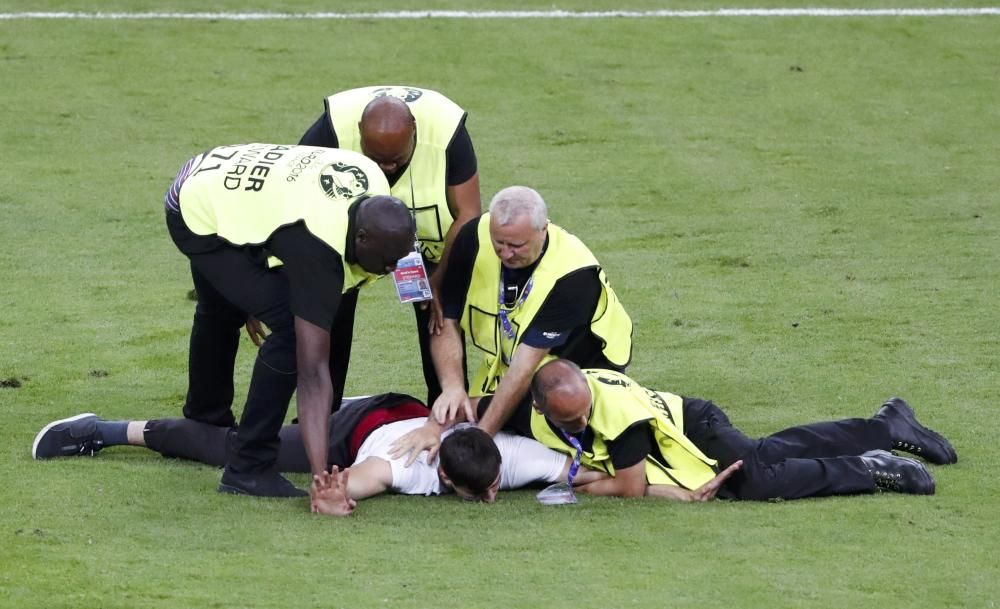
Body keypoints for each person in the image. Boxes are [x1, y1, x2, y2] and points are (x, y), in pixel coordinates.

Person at [164, 143, 416, 499]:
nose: (393, 270)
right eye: (389, 261)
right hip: (195, 209)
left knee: (226, 307)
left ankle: (205, 418)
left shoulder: (374, 182)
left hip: (217, 174)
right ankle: (248, 466)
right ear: (361, 238)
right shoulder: (320, 248)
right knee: (291, 331)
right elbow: (312, 374)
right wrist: (322, 477)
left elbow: (282, 228)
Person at [30, 394, 604, 515]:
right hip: (350, 428)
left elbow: (591, 472)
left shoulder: (513, 455)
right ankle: (101, 429)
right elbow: (350, 482)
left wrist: (671, 486)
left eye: (491, 487)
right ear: (441, 470)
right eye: (473, 491)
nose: (489, 496)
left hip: (402, 409)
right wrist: (332, 500)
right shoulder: (401, 467)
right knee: (240, 450)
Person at [395, 186, 633, 463]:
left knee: (573, 445)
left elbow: (524, 369)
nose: (505, 254)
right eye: (499, 243)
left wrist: (480, 441)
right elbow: (444, 321)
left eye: (516, 246)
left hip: (577, 378)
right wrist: (452, 387)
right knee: (473, 411)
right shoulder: (474, 236)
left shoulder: (573, 275)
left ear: (543, 229)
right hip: (509, 366)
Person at [520, 359, 957, 501]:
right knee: (768, 454)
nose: (580, 423)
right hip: (684, 436)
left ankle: (870, 469)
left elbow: (631, 487)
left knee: (756, 478)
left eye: (584, 413)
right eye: (568, 420)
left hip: (698, 428)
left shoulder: (616, 417)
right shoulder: (539, 401)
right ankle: (885, 427)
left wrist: (586, 485)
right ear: (539, 404)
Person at [299, 85, 483, 405]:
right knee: (330, 307)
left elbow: (469, 214)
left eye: (396, 160)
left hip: (429, 240)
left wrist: (439, 280)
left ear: (415, 131)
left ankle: (446, 409)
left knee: (438, 311)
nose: (386, 168)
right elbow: (294, 205)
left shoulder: (448, 132)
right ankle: (321, 413)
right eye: (376, 158)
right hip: (352, 233)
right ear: (359, 132)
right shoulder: (329, 131)